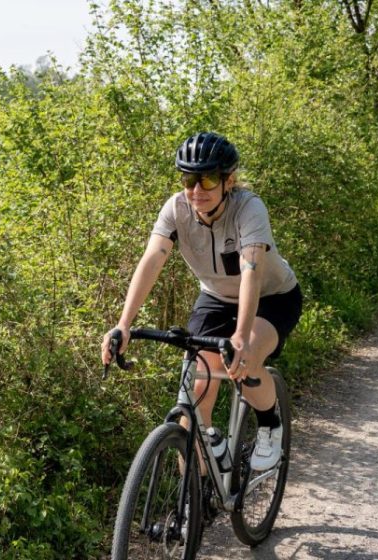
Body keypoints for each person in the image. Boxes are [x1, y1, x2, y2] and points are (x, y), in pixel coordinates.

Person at [101, 132, 303, 471]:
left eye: (208, 180)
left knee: (245, 359)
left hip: (272, 297)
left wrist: (240, 336)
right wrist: (123, 325)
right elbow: (152, 260)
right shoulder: (176, 208)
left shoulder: (248, 208)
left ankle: (270, 424)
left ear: (229, 180)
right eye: (189, 179)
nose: (197, 191)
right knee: (196, 393)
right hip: (215, 297)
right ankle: (192, 497)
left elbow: (250, 268)